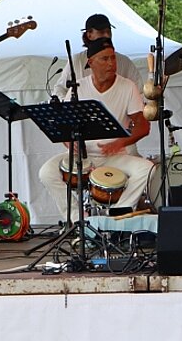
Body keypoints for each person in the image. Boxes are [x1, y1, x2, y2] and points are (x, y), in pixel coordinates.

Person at [38, 37, 154, 216]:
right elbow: (65, 126)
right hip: (83, 157)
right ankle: (77, 220)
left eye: (113, 58)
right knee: (46, 172)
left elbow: (143, 126)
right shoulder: (78, 88)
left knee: (148, 169)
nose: (111, 64)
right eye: (105, 59)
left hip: (114, 156)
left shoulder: (127, 87)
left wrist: (120, 143)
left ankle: (116, 217)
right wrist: (69, 142)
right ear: (90, 62)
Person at [71, 13, 142, 85]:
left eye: (108, 31)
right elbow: (60, 90)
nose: (107, 36)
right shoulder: (77, 61)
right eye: (102, 32)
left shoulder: (124, 62)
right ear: (89, 35)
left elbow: (140, 90)